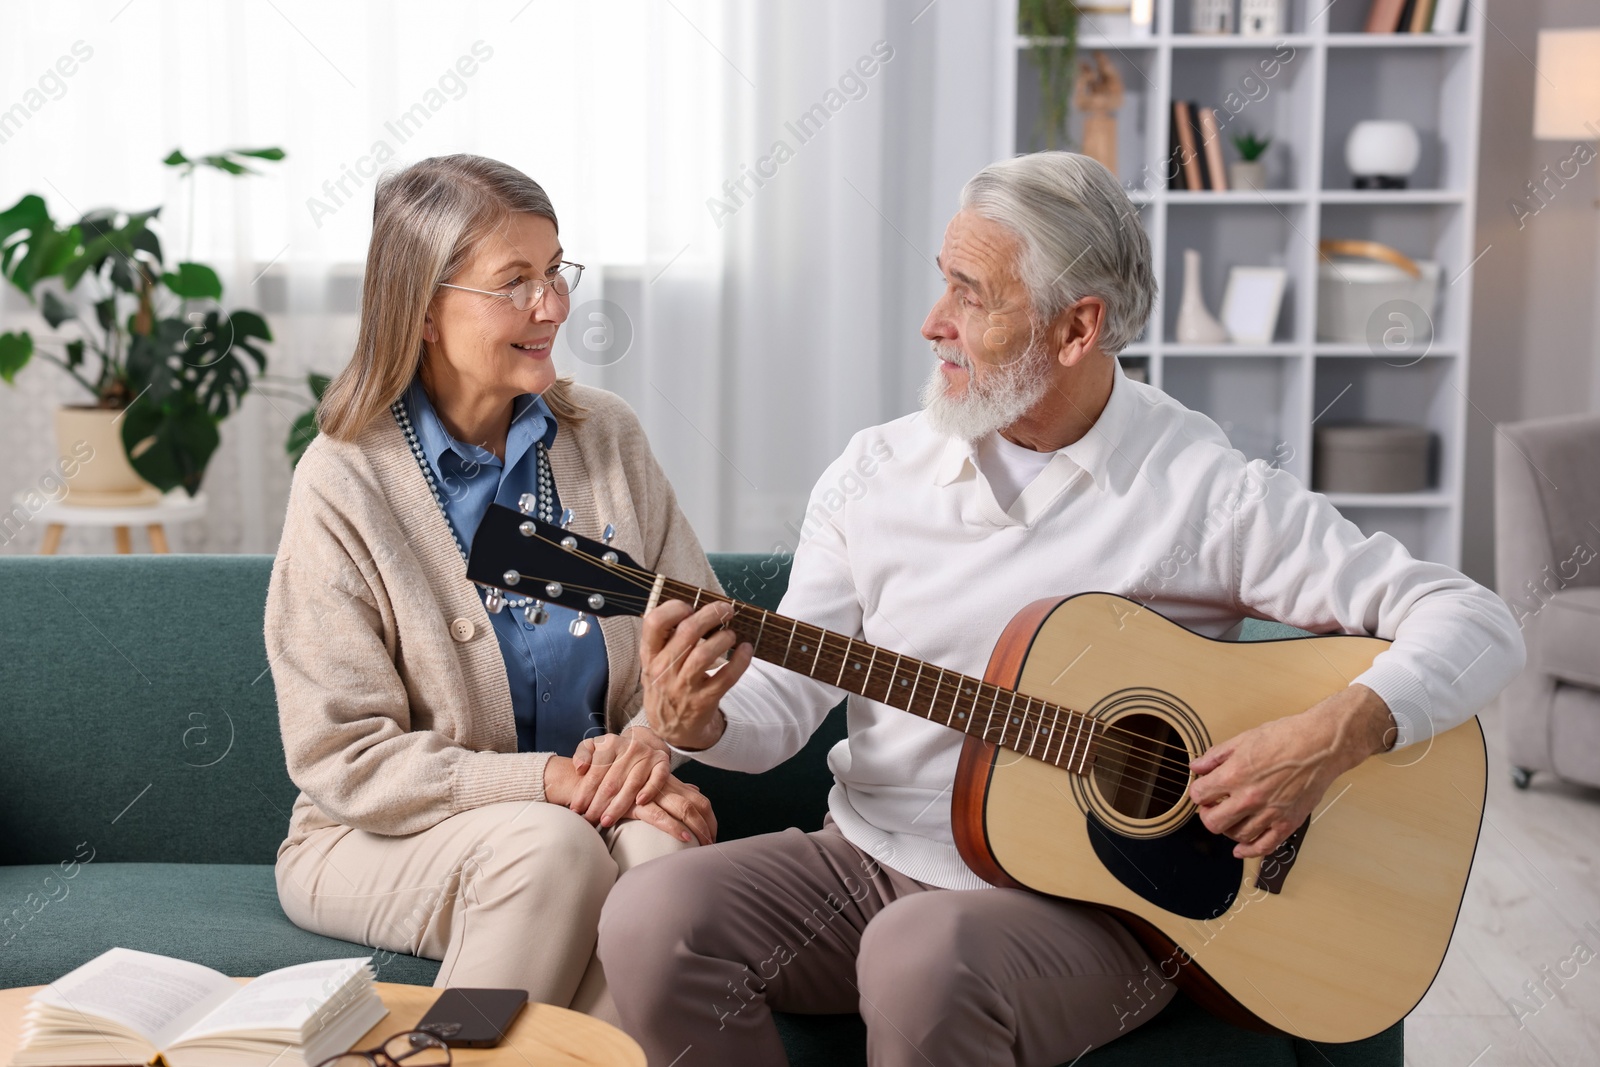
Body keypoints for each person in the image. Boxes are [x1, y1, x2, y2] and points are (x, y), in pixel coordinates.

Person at [597, 151, 1526, 1067]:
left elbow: (1473, 617)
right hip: (872, 858)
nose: (933, 325)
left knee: (921, 956)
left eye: (972, 295)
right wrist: (700, 719)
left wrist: (1333, 735)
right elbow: (782, 713)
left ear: (1078, 327)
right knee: (650, 917)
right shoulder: (874, 472)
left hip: (1097, 909)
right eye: (941, 285)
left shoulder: (1205, 489)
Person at [267, 154, 717, 1024]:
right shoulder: (344, 479)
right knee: (550, 849)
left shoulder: (607, 437)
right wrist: (550, 782)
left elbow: (693, 645)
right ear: (425, 307)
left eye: (556, 272)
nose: (552, 306)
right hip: (373, 835)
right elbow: (343, 760)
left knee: (665, 862)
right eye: (516, 282)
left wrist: (653, 743)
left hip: (595, 811)